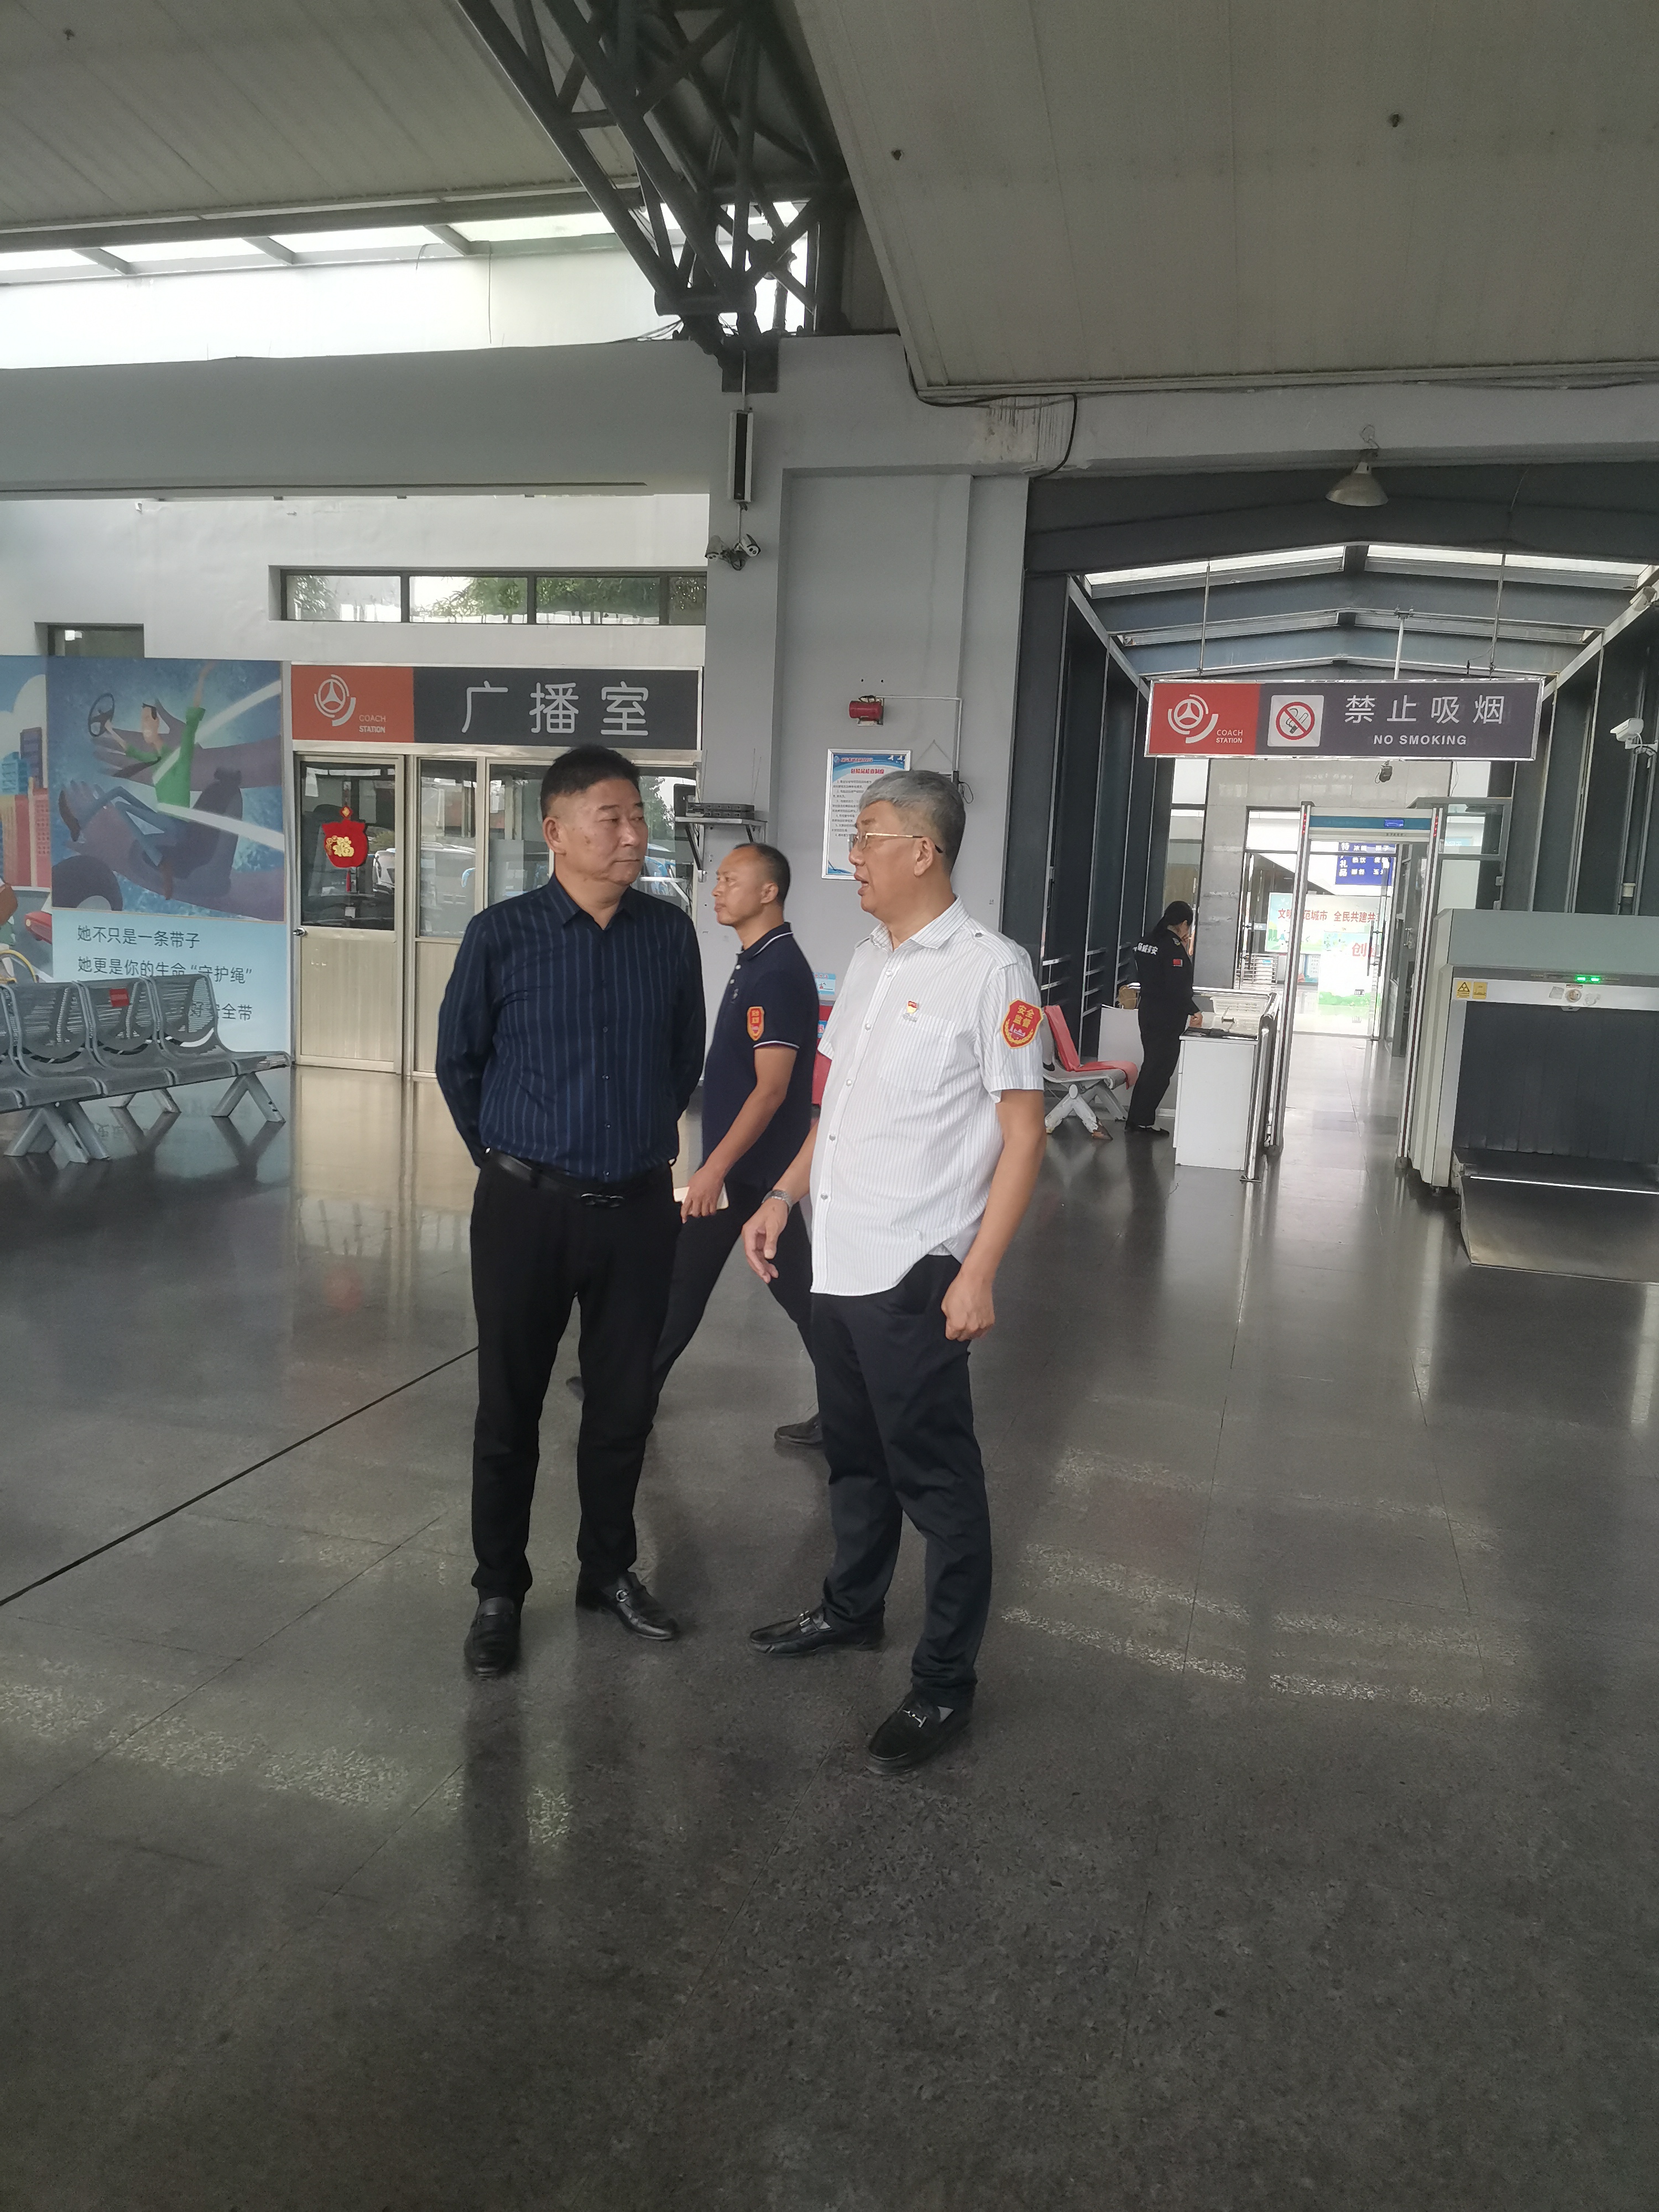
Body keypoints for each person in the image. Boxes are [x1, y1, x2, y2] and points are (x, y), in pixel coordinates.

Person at [740, 769, 1047, 1774]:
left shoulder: (992, 970)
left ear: (924, 850)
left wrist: (979, 1271)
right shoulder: (870, 959)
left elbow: (1024, 1135)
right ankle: (852, 1607)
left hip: (915, 1271)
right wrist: (782, 1195)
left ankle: (945, 1682)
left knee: (939, 1485)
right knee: (856, 1459)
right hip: (838, 1260)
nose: (854, 856)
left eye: (868, 836)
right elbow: (835, 1112)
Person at [435, 745, 704, 1678]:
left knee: (624, 1405)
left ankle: (608, 1571)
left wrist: (633, 1140)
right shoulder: (501, 936)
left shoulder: (668, 936)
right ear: (555, 831)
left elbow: (684, 1058)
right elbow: (459, 1063)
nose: (634, 835)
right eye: (612, 817)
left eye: (639, 817)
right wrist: (509, 1160)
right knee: (508, 1407)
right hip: (527, 1211)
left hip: (637, 1210)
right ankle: (499, 1591)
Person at [650, 840, 823, 1442]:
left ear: (768, 892)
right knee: (686, 1278)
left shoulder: (777, 973)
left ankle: (854, 1410)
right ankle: (630, 1393)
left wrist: (715, 1168)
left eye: (730, 880)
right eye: (718, 879)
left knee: (799, 1294)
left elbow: (771, 1091)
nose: (717, 890)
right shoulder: (755, 961)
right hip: (741, 1169)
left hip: (757, 1172)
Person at [1125, 899, 1202, 1136]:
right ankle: (1142, 1122)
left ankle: (1136, 1119)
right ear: (1184, 924)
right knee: (1160, 1070)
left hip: (1148, 1011)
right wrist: (1194, 1009)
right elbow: (1176, 986)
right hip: (1167, 1017)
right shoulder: (1172, 947)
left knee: (1151, 1065)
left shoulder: (1147, 941)